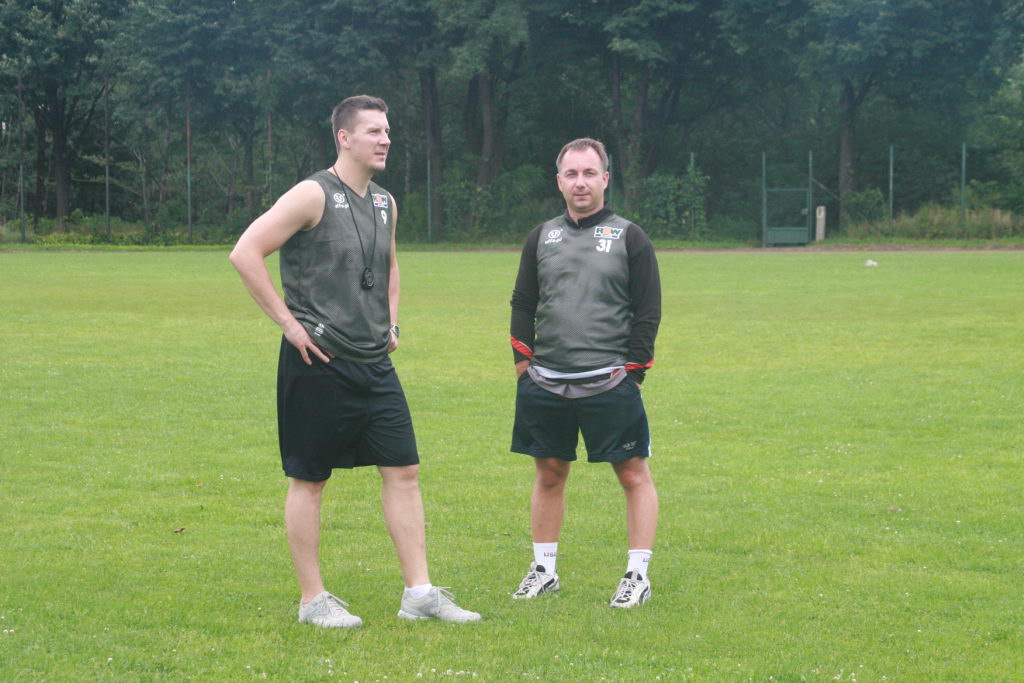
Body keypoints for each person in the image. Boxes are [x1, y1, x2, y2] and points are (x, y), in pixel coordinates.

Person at [229, 95, 479, 628]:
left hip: (373, 361)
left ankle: (419, 594)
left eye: (387, 131)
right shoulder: (311, 194)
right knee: (310, 478)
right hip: (318, 359)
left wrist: (392, 323)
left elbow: (389, 266)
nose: (385, 139)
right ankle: (312, 600)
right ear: (344, 138)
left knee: (404, 470)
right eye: (374, 131)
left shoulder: (386, 202)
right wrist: (290, 325)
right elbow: (245, 252)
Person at [508, 137, 661, 608]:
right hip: (546, 381)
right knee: (549, 473)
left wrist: (633, 373)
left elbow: (647, 309)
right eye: (571, 174)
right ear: (559, 181)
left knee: (632, 474)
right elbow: (523, 302)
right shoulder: (541, 237)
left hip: (610, 380)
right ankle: (543, 570)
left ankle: (637, 575)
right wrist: (523, 367)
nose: (580, 182)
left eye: (589, 173)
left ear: (605, 179)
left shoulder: (629, 236)